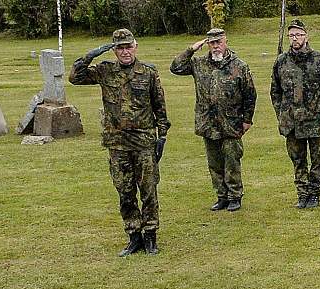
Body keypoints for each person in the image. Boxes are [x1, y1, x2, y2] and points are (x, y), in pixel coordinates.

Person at [69, 29, 169, 256]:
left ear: (135, 46)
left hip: (143, 142)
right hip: (117, 143)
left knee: (148, 190)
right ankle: (133, 234)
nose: (124, 51)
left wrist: (161, 136)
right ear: (114, 50)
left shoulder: (148, 73)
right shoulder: (105, 71)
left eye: (128, 46)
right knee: (124, 191)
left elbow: (160, 107)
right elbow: (75, 77)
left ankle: (150, 235)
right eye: (119, 47)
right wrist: (91, 54)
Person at [170, 28, 256, 213]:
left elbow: (250, 94)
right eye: (211, 43)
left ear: (226, 41)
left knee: (232, 161)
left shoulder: (239, 65)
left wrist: (247, 119)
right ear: (207, 44)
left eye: (219, 42)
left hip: (231, 123)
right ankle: (221, 196)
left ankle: (235, 196)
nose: (215, 46)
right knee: (214, 163)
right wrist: (191, 49)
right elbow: (175, 67)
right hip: (208, 123)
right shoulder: (199, 64)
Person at [270, 19, 320, 209]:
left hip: (316, 120)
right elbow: (275, 91)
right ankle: (302, 194)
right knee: (297, 160)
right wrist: (281, 112)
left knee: (317, 159)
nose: (295, 39)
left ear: (306, 36)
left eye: (298, 35)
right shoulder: (281, 61)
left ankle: (315, 194)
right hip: (291, 122)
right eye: (291, 35)